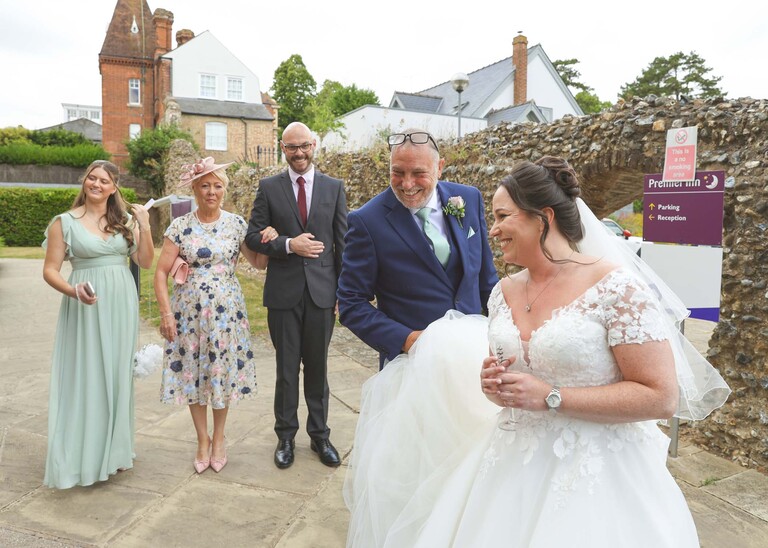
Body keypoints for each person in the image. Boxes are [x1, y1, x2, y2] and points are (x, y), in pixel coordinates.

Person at [343, 156, 731, 547]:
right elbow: (516, 379)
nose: (491, 230)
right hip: (509, 467)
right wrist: (493, 384)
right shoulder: (503, 293)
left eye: (502, 216)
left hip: (596, 478)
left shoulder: (618, 289)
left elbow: (661, 397)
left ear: (543, 217)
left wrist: (550, 397)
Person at [337, 128, 498, 369]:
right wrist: (407, 340)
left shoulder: (468, 199)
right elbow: (351, 302)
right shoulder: (367, 221)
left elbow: (486, 281)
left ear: (440, 167)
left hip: (474, 359)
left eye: (418, 173)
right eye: (397, 173)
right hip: (412, 367)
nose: (407, 184)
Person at [154, 157, 274, 474]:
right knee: (194, 374)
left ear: (224, 190)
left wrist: (268, 240)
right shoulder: (180, 226)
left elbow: (258, 263)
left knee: (219, 373)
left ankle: (219, 438)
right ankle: (202, 439)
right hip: (188, 314)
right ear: (194, 189)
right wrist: (166, 314)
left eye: (217, 186)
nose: (211, 191)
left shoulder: (236, 225)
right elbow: (160, 273)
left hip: (226, 315)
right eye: (205, 185)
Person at [42, 159, 154, 489]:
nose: (97, 184)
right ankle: (82, 453)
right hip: (84, 305)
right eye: (92, 178)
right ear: (84, 181)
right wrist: (73, 290)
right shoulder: (64, 223)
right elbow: (50, 270)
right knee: (86, 375)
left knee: (117, 376)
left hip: (121, 303)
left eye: (104, 180)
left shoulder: (125, 222)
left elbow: (145, 262)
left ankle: (115, 452)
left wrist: (145, 225)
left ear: (114, 187)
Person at [245, 122, 348, 469]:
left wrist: (343, 293)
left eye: (304, 146)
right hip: (283, 295)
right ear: (282, 148)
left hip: (322, 294)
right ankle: (285, 437)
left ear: (314, 145)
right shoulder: (269, 188)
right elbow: (252, 236)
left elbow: (342, 244)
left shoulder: (334, 188)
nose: (299, 153)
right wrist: (289, 244)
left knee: (317, 368)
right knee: (287, 370)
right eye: (292, 147)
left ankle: (320, 435)